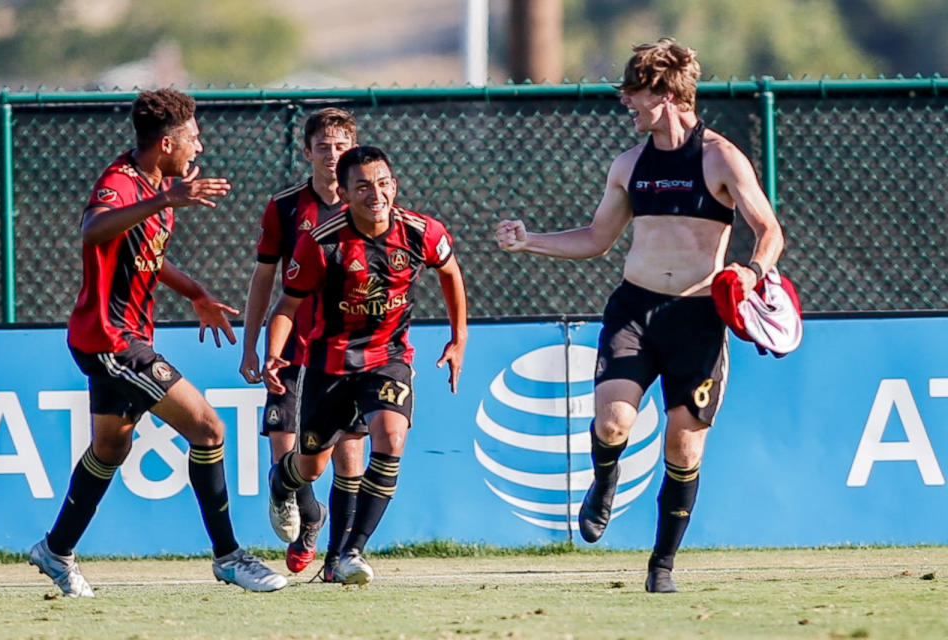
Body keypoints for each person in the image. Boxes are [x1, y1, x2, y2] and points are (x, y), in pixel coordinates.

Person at [495, 38, 784, 593]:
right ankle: (604, 482)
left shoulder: (721, 157)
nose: (626, 103)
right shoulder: (629, 164)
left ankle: (662, 565)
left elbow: (769, 231)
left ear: (669, 94)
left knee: (684, 444)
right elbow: (598, 239)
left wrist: (752, 271)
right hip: (635, 310)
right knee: (612, 424)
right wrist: (529, 241)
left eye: (635, 93)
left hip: (699, 319)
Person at [30, 89, 287, 597]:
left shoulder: (157, 184)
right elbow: (92, 229)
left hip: (120, 336)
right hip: (111, 341)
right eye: (193, 137)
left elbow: (148, 253)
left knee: (111, 446)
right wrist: (164, 198)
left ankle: (55, 550)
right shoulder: (123, 183)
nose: (200, 145)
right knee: (209, 429)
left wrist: (196, 293)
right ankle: (229, 556)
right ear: (166, 142)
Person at [262, 145, 467, 585]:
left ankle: (350, 552)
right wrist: (273, 354)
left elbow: (450, 272)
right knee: (312, 465)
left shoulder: (421, 232)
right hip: (330, 364)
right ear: (344, 191)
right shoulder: (321, 241)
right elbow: (286, 304)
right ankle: (283, 483)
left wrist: (458, 337)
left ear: (394, 184)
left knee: (391, 437)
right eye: (363, 186)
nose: (376, 194)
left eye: (383, 183)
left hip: (388, 358)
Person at [238, 108, 368, 577]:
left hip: (349, 349)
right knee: (286, 448)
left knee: (349, 452)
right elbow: (264, 279)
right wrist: (251, 344)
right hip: (292, 344)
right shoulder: (286, 207)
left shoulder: (370, 205)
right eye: (324, 146)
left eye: (340, 146)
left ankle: (339, 556)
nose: (332, 155)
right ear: (307, 151)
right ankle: (309, 515)